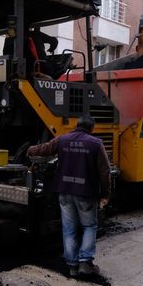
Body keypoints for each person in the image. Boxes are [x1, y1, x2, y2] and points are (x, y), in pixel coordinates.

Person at [27, 115, 111, 277]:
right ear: (91, 128)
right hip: (85, 192)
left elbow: (44, 149)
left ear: (76, 125)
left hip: (64, 191)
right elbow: (105, 171)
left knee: (69, 229)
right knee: (89, 226)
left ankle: (72, 266)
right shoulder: (96, 143)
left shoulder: (63, 139)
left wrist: (30, 150)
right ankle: (85, 263)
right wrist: (106, 193)